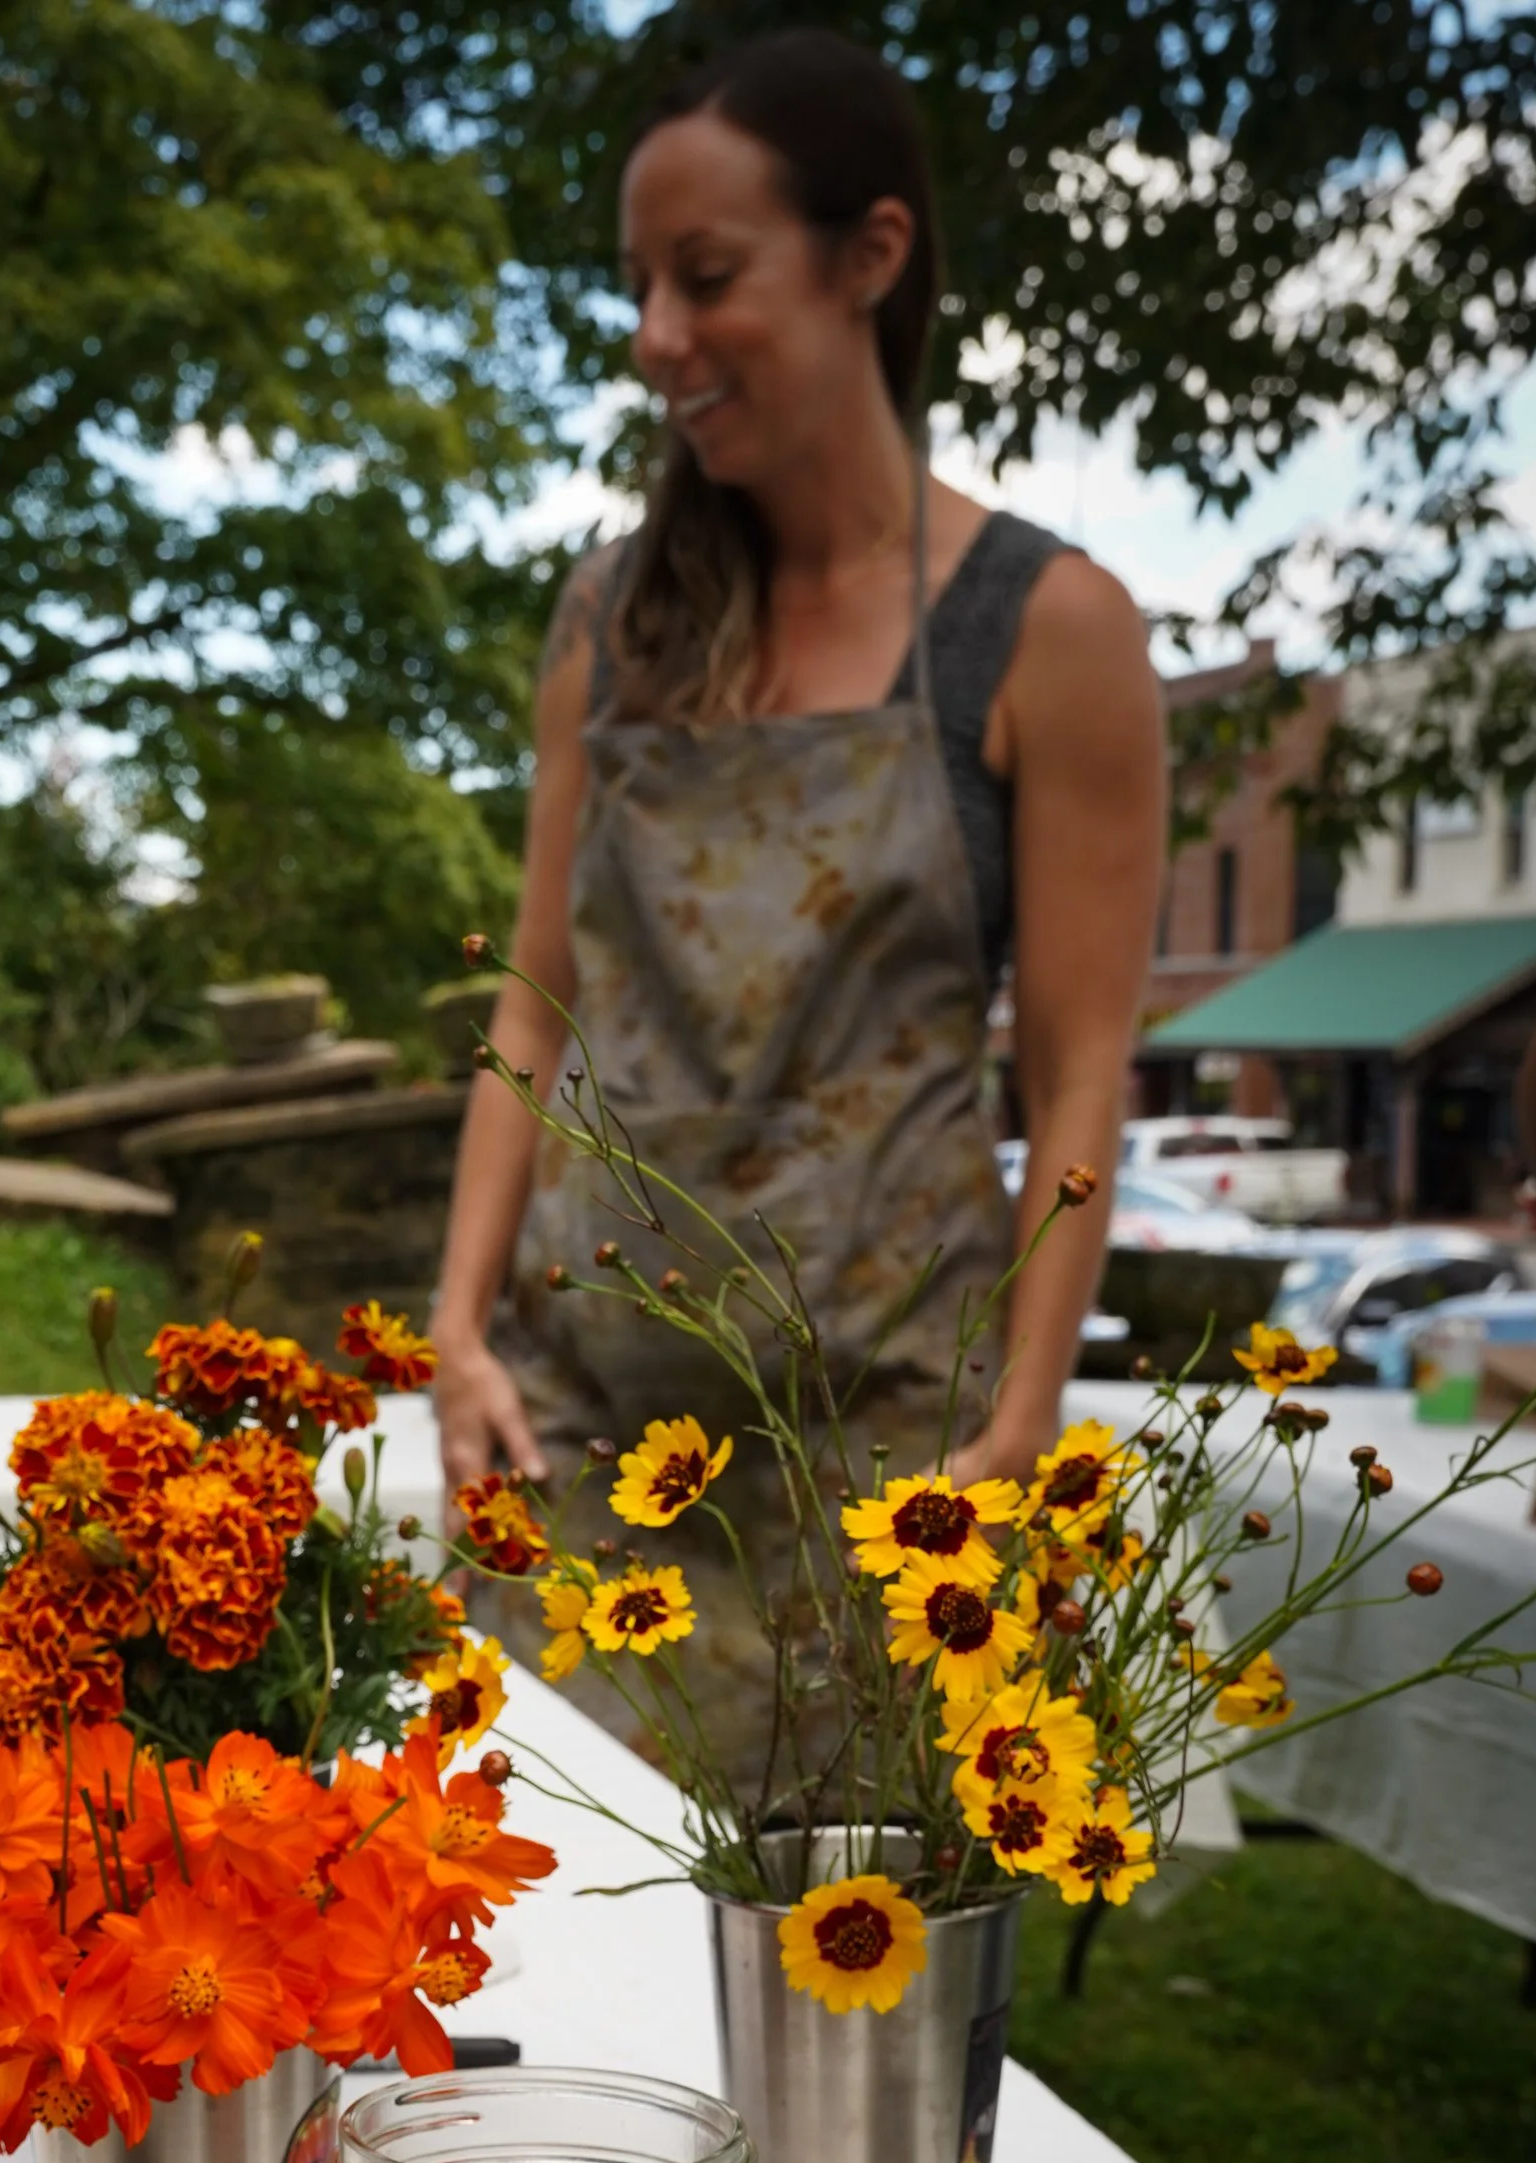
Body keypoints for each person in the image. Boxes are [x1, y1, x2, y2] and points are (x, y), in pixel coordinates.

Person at [432, 28, 1164, 1773]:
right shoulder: (610, 622)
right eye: (637, 288)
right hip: (582, 1438)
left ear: (873, 258)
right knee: (540, 1940)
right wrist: (456, 1325)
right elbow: (536, 995)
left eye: (706, 279)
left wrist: (1026, 1416)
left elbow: (1075, 1072)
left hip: (883, 1468)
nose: (655, 341)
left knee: (832, 1987)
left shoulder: (1044, 629)